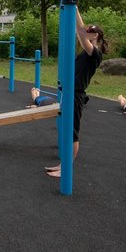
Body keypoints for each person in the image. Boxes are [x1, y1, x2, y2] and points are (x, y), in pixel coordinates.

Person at [45, 12, 107, 178]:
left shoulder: (94, 53)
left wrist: (75, 9)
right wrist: (75, 12)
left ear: (96, 36)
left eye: (89, 31)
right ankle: (62, 165)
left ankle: (67, 169)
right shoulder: (88, 50)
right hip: (70, 93)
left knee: (72, 133)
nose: (85, 32)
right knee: (66, 130)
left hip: (76, 95)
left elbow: (80, 32)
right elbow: (80, 32)